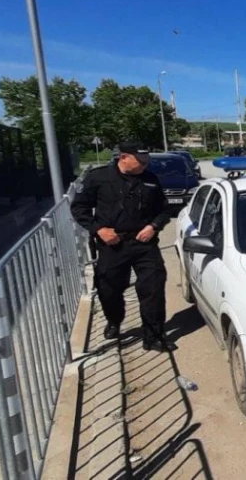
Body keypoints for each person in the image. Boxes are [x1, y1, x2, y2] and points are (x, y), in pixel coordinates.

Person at [70, 142, 177, 352]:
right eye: (140, 161)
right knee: (109, 289)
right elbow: (79, 207)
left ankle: (153, 336)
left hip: (143, 242)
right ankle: (114, 320)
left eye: (147, 161)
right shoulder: (98, 177)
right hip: (112, 244)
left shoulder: (150, 179)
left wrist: (153, 226)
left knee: (153, 288)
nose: (145, 165)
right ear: (124, 157)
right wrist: (98, 229)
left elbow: (164, 210)